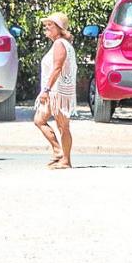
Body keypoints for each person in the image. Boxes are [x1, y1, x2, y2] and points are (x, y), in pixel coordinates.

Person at [34, 12, 78, 169]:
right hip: (57, 90)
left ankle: (65, 159)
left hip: (57, 91)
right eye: (46, 25)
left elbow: (57, 68)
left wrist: (46, 89)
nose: (46, 27)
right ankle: (59, 152)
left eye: (50, 25)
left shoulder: (60, 44)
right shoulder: (61, 44)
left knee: (62, 125)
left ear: (59, 28)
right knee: (40, 120)